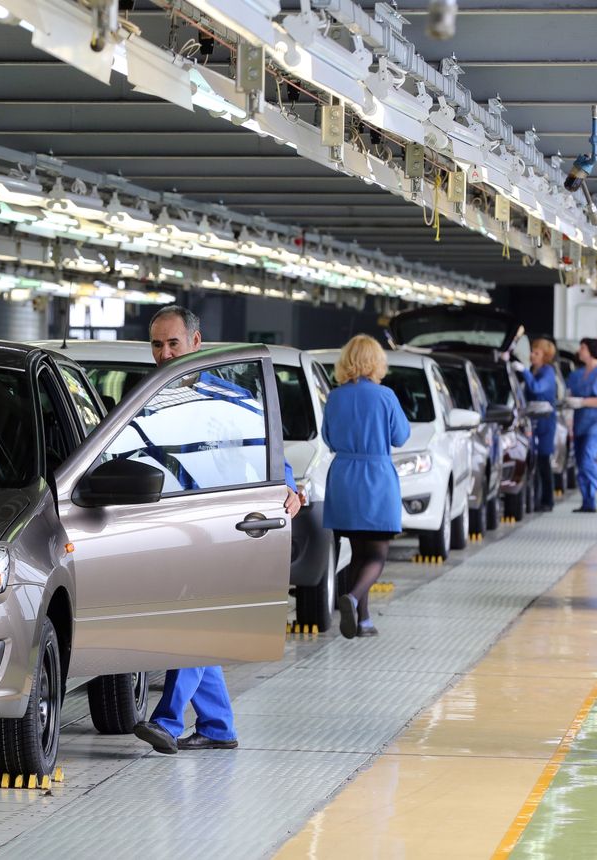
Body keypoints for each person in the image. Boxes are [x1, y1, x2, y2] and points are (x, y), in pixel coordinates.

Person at [132, 306, 302, 755]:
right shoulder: (145, 400)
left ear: (196, 343)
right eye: (157, 344)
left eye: (173, 343)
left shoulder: (230, 401)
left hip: (222, 528)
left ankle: (166, 721)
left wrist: (288, 487)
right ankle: (218, 726)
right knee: (198, 625)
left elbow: (265, 446)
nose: (165, 353)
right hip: (170, 529)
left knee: (194, 625)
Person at [322, 334, 410, 640]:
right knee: (377, 555)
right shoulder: (385, 396)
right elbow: (401, 436)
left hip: (344, 477)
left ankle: (364, 620)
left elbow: (329, 439)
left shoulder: (334, 397)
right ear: (377, 362)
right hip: (376, 476)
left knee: (358, 551)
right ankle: (355, 597)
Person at [565, 337, 597, 513]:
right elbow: (569, 391)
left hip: (596, 425)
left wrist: (583, 402)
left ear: (592, 351)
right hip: (580, 423)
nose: (580, 351)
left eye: (583, 348)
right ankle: (588, 502)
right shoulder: (578, 374)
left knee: (587, 459)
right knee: (581, 462)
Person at [522, 336, 559, 512]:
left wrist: (524, 372)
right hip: (533, 421)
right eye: (532, 352)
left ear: (545, 356)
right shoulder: (533, 370)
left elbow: (537, 388)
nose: (532, 355)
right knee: (534, 463)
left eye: (536, 353)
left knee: (543, 461)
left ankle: (547, 501)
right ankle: (535, 499)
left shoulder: (547, 372)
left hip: (545, 422)